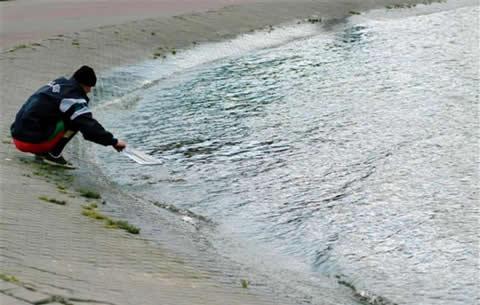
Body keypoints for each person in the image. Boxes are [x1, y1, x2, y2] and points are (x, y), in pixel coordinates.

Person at [10, 65, 127, 168]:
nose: (90, 91)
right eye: (90, 87)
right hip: (31, 143)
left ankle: (43, 153)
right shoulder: (73, 97)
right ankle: (54, 154)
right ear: (84, 85)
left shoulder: (57, 83)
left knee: (56, 114)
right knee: (76, 120)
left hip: (17, 136)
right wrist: (113, 142)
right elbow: (90, 128)